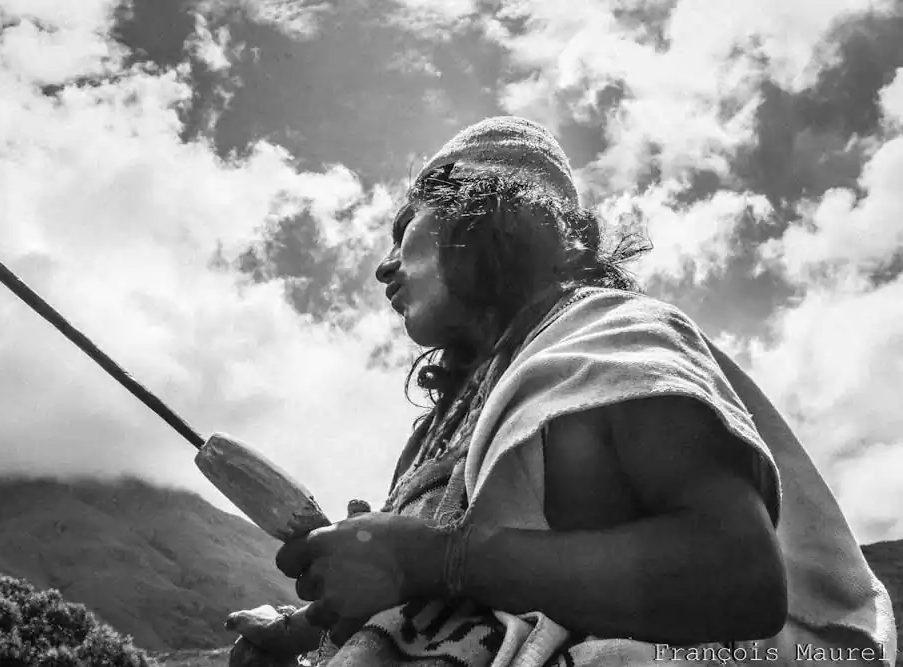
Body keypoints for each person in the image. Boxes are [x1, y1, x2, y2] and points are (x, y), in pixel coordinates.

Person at [227, 117, 896, 666]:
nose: (384, 266)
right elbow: (450, 609)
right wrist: (313, 629)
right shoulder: (437, 434)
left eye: (406, 228)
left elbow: (739, 577)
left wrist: (440, 557)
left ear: (478, 211)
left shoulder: (610, 336)